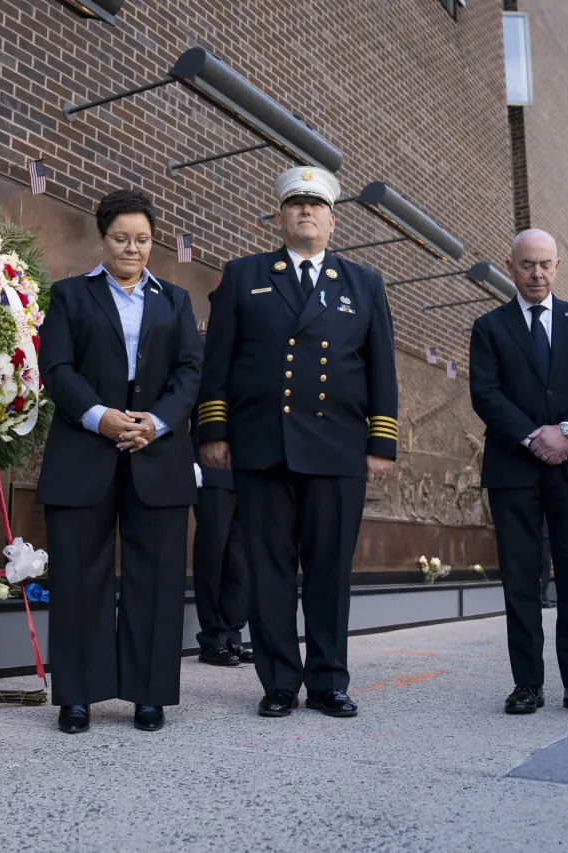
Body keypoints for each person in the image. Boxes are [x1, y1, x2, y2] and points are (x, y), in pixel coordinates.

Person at [197, 166, 398, 719]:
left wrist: (381, 440)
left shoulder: (364, 284)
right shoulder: (243, 276)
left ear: (332, 221)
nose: (306, 212)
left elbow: (382, 369)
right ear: (280, 217)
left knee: (330, 571)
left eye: (316, 205)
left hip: (337, 450)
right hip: (263, 445)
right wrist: (213, 430)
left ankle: (329, 680)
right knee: (268, 570)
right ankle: (279, 681)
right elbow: (219, 362)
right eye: (296, 204)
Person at [35, 189, 202, 734]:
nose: (133, 248)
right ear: (102, 238)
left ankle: (147, 694)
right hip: (85, 450)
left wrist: (155, 422)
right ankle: (78, 695)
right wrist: (100, 416)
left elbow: (190, 373)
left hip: (157, 454)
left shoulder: (175, 301)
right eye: (122, 238)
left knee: (154, 577)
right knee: (81, 576)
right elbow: (56, 368)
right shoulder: (69, 296)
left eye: (143, 239)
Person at [468, 229, 568, 717]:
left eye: (545, 264)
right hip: (514, 468)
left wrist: (566, 431)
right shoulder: (489, 326)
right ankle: (526, 684)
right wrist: (535, 437)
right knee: (521, 580)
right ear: (510, 265)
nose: (537, 273)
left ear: (556, 267)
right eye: (527, 264)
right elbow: (485, 394)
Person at [191, 331, 253, 666]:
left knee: (241, 558)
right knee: (212, 553)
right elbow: (190, 402)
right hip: (212, 465)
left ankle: (233, 634)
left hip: (250, 466)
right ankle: (212, 638)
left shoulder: (259, 341)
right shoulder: (205, 342)